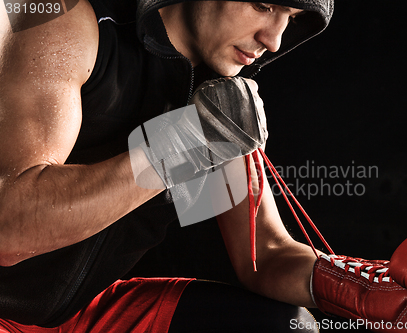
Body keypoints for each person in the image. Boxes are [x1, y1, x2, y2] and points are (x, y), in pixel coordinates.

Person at [0, 0, 334, 331]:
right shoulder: (68, 19)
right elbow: (9, 231)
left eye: (292, 17)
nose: (274, 40)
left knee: (288, 326)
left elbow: (265, 256)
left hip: (82, 317)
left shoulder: (217, 85)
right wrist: (184, 144)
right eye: (262, 6)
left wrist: (359, 287)